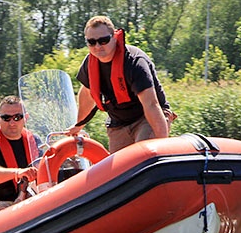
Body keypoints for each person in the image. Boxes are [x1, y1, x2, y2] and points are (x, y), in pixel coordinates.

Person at [67, 15, 175, 152]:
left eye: (103, 40)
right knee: (120, 171)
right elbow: (87, 94)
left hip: (146, 118)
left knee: (142, 156)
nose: (98, 46)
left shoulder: (134, 62)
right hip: (119, 123)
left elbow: (151, 105)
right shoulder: (90, 63)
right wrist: (78, 125)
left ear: (114, 37)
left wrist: (162, 145)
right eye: (92, 42)